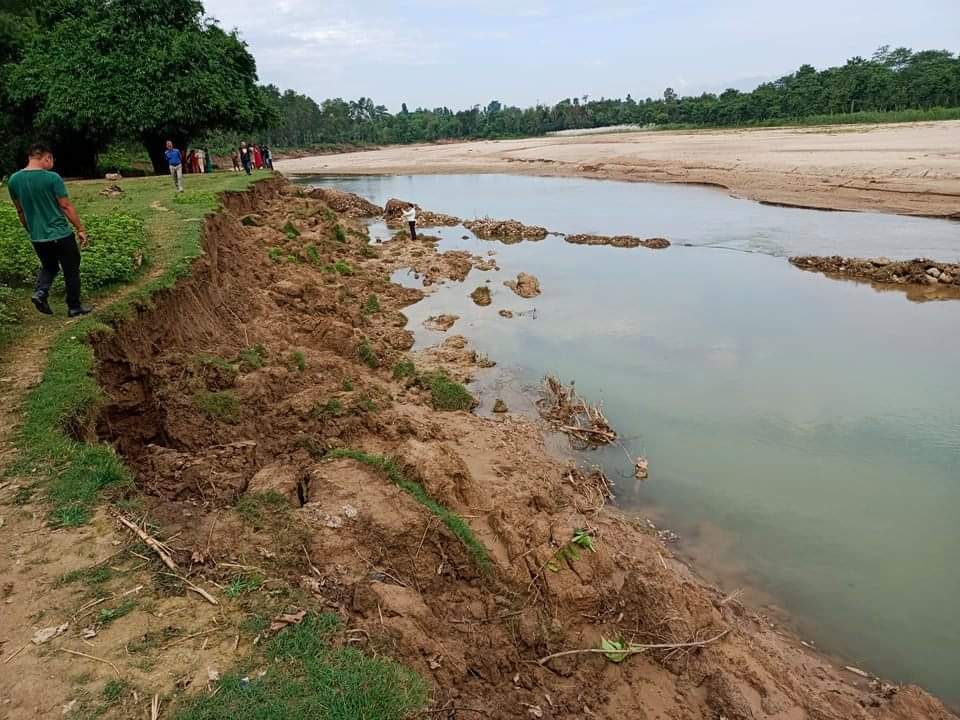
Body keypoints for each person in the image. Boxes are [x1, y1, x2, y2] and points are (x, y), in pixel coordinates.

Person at [7, 143, 92, 317]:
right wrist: (80, 228)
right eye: (51, 160)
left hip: (37, 236)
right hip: (60, 233)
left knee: (49, 266)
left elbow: (20, 211)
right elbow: (66, 206)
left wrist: (31, 231)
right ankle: (74, 306)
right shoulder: (52, 178)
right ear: (47, 158)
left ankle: (40, 292)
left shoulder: (13, 180)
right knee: (71, 268)